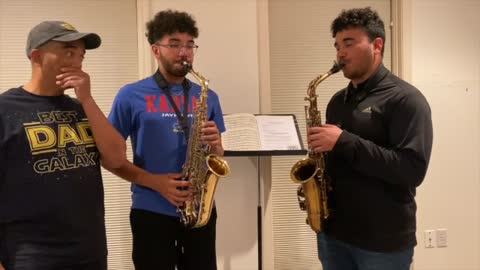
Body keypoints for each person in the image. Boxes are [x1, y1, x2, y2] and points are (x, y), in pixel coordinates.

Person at [307, 7, 433, 270]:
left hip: (382, 243)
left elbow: (411, 170)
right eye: (338, 45)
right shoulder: (336, 102)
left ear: (377, 45)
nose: (340, 52)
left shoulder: (406, 100)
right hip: (334, 235)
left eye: (349, 43)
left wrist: (343, 141)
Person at [0, 21, 127, 269]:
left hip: (90, 253)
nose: (78, 62)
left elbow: (117, 158)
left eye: (81, 55)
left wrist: (87, 98)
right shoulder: (5, 110)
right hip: (31, 256)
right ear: (36, 55)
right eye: (68, 52)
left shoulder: (81, 108)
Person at [107, 9, 225, 270]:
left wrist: (216, 145)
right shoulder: (130, 95)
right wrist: (155, 182)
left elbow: (218, 156)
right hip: (150, 210)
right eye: (174, 44)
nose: (184, 52)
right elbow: (108, 157)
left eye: (189, 45)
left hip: (199, 210)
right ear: (155, 49)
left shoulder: (208, 95)